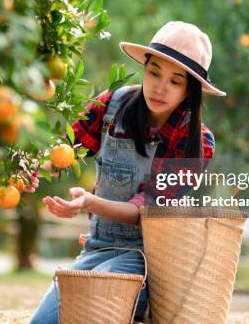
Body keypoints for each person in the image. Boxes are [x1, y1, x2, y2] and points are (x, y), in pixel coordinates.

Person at [29, 21, 226, 323]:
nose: (160, 87)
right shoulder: (113, 106)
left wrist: (89, 203)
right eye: (154, 72)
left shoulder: (196, 142)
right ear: (145, 69)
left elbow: (144, 210)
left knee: (95, 308)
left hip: (143, 259)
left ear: (189, 91)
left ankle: (136, 309)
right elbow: (68, 149)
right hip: (96, 247)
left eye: (175, 81)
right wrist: (35, 168)